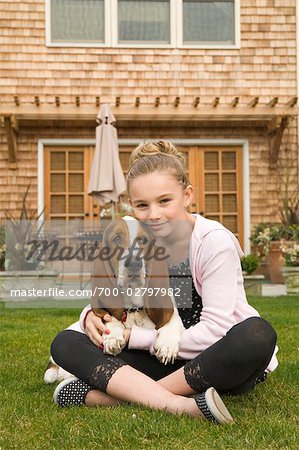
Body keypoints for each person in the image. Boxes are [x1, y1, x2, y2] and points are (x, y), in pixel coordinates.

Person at [50, 140, 278, 424]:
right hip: (165, 358)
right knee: (65, 343)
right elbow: (122, 291)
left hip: (215, 357)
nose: (154, 214)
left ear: (187, 195)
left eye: (164, 201)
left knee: (257, 335)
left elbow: (216, 331)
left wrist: (137, 338)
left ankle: (106, 397)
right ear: (132, 206)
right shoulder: (142, 241)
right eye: (142, 205)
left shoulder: (213, 242)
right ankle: (175, 403)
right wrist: (89, 318)